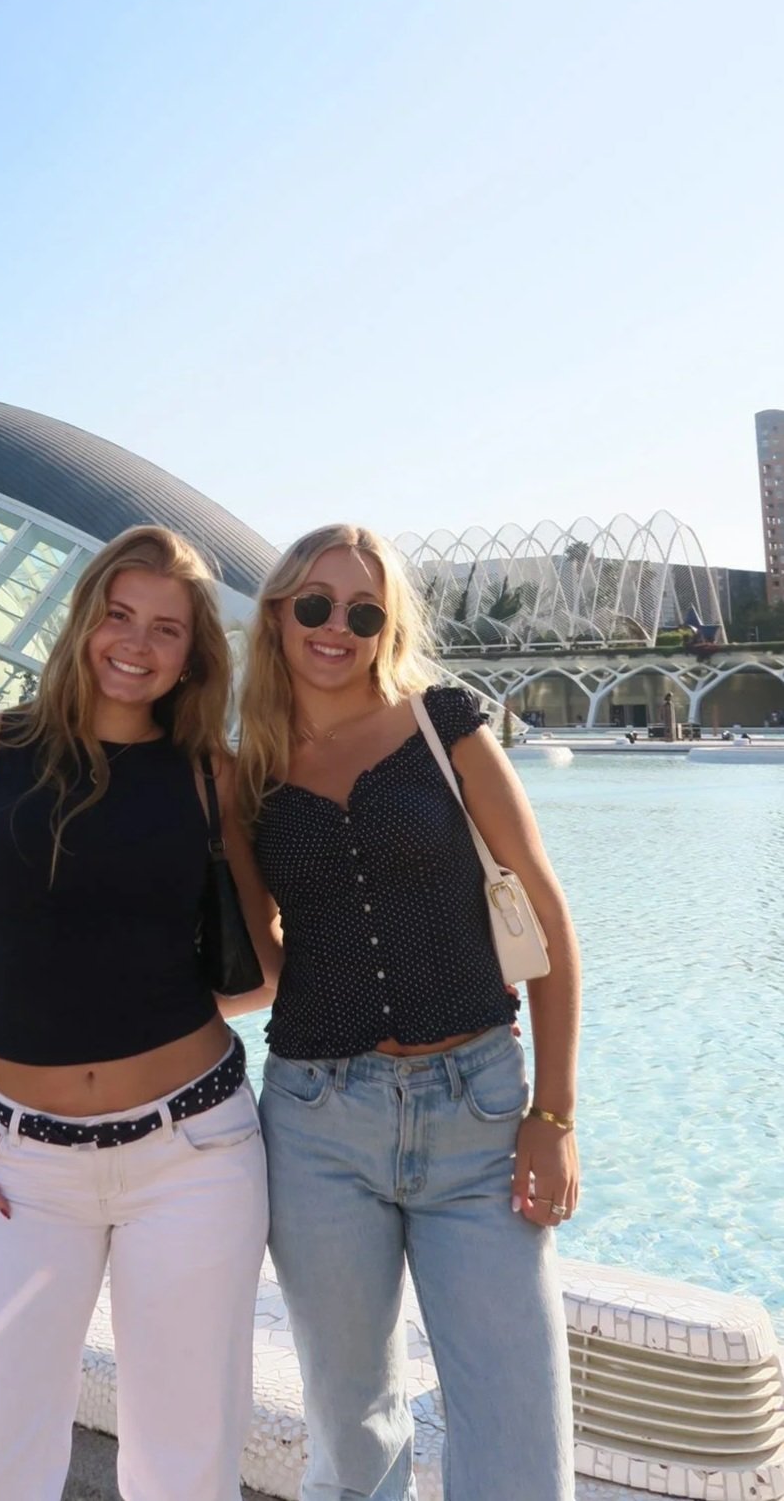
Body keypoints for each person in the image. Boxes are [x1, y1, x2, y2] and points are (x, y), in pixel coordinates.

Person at [0, 525, 277, 1501]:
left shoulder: (210, 774)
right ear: (84, 618)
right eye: (119, 615)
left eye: (165, 629)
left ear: (193, 653)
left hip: (192, 1152)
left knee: (183, 1466)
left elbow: (262, 969)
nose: (136, 645)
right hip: (19, 1160)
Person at [236, 524, 580, 1501]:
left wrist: (550, 1115)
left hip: (475, 1112)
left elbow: (545, 916)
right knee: (354, 1442)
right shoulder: (249, 768)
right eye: (313, 604)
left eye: (362, 610)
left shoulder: (443, 723)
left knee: (516, 1441)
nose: (334, 626)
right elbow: (254, 967)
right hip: (316, 1125)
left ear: (386, 625)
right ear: (278, 613)